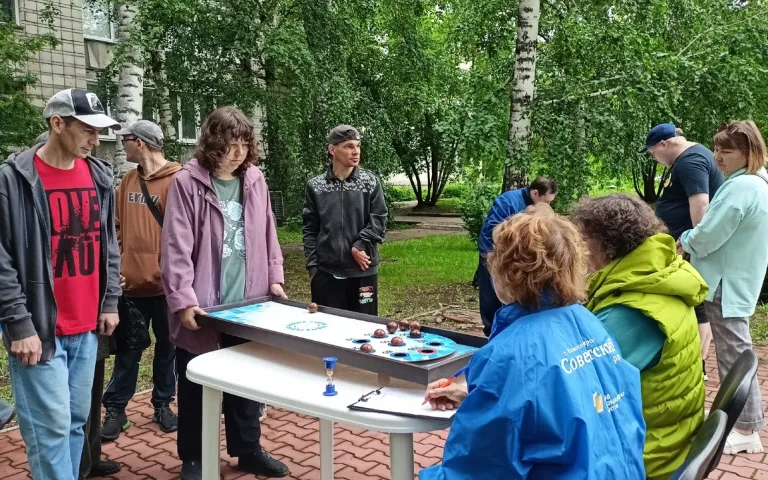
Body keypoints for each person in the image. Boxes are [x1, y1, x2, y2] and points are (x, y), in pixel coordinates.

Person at [420, 206, 646, 480]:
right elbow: (562, 407)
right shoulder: (588, 322)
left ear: (508, 274)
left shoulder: (509, 355)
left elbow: (475, 469)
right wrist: (477, 396)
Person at [162, 106, 289, 479]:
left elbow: (269, 232)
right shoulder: (187, 182)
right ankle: (195, 456)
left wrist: (275, 277)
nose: (238, 153)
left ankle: (248, 451)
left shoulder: (255, 179)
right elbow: (175, 246)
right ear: (212, 144)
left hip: (249, 302)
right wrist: (183, 299)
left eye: (244, 145)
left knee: (246, 381)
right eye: (230, 145)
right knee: (196, 381)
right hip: (204, 306)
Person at [0, 88, 121, 479]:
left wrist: (110, 301)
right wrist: (18, 324)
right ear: (57, 123)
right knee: (50, 430)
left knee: (74, 423)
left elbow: (108, 244)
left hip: (87, 328)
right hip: (39, 330)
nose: (95, 140)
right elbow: (2, 261)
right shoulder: (14, 179)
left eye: (99, 132)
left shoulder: (99, 175)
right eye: (87, 130)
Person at [571, 194, 706, 479]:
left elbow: (575, 386)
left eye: (583, 239)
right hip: (667, 436)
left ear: (604, 244)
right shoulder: (658, 276)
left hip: (646, 455)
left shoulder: (633, 311)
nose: (579, 248)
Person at [679, 120, 768, 454]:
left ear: (748, 152)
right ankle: (740, 421)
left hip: (724, 284)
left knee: (734, 355)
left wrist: (685, 239)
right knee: (735, 352)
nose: (717, 156)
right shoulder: (757, 181)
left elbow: (708, 235)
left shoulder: (741, 187)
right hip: (736, 280)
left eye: (726, 150)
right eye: (716, 148)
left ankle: (746, 429)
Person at [101, 120, 181, 441]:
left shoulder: (177, 180)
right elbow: (117, 227)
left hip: (166, 288)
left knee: (167, 349)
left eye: (127, 140)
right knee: (128, 350)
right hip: (131, 287)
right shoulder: (128, 180)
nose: (123, 145)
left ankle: (163, 405)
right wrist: (121, 263)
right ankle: (116, 409)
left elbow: (186, 233)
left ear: (141, 143)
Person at [642, 123, 723, 368]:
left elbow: (701, 204)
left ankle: (696, 364)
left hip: (687, 247)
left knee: (697, 306)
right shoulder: (691, 157)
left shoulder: (690, 161)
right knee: (697, 305)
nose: (654, 159)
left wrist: (694, 242)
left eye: (652, 153)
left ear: (663, 144)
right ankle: (698, 361)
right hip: (684, 244)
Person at [303, 125, 387, 315]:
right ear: (332, 149)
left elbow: (379, 219)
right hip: (326, 274)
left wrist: (359, 245)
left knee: (364, 327)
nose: (356, 151)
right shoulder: (316, 186)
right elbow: (310, 229)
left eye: (358, 145)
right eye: (349, 146)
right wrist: (313, 269)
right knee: (329, 328)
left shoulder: (370, 182)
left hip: (363, 273)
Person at [476, 177, 557, 336]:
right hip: (493, 254)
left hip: (515, 259)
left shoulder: (535, 205)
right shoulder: (508, 201)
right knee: (491, 296)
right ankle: (491, 331)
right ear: (535, 193)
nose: (548, 205)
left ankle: (510, 330)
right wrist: (493, 259)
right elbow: (491, 230)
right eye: (546, 201)